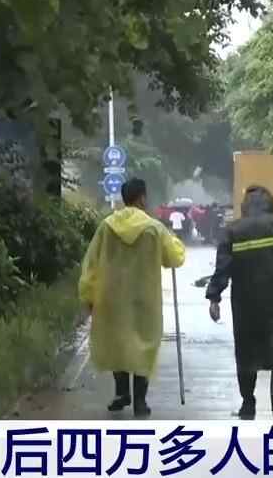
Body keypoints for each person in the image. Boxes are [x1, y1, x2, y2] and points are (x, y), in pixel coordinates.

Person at [79, 178, 186, 417]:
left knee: (117, 343)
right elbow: (173, 258)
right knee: (143, 346)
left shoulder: (107, 226)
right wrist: (176, 242)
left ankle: (121, 393)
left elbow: (91, 263)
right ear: (142, 198)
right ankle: (140, 400)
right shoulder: (154, 228)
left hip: (112, 297)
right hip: (144, 298)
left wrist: (88, 294)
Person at [206, 185, 273, 420]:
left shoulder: (233, 231)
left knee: (246, 353)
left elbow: (223, 268)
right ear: (270, 205)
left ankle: (248, 402)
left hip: (246, 305)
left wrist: (214, 297)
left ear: (245, 207)